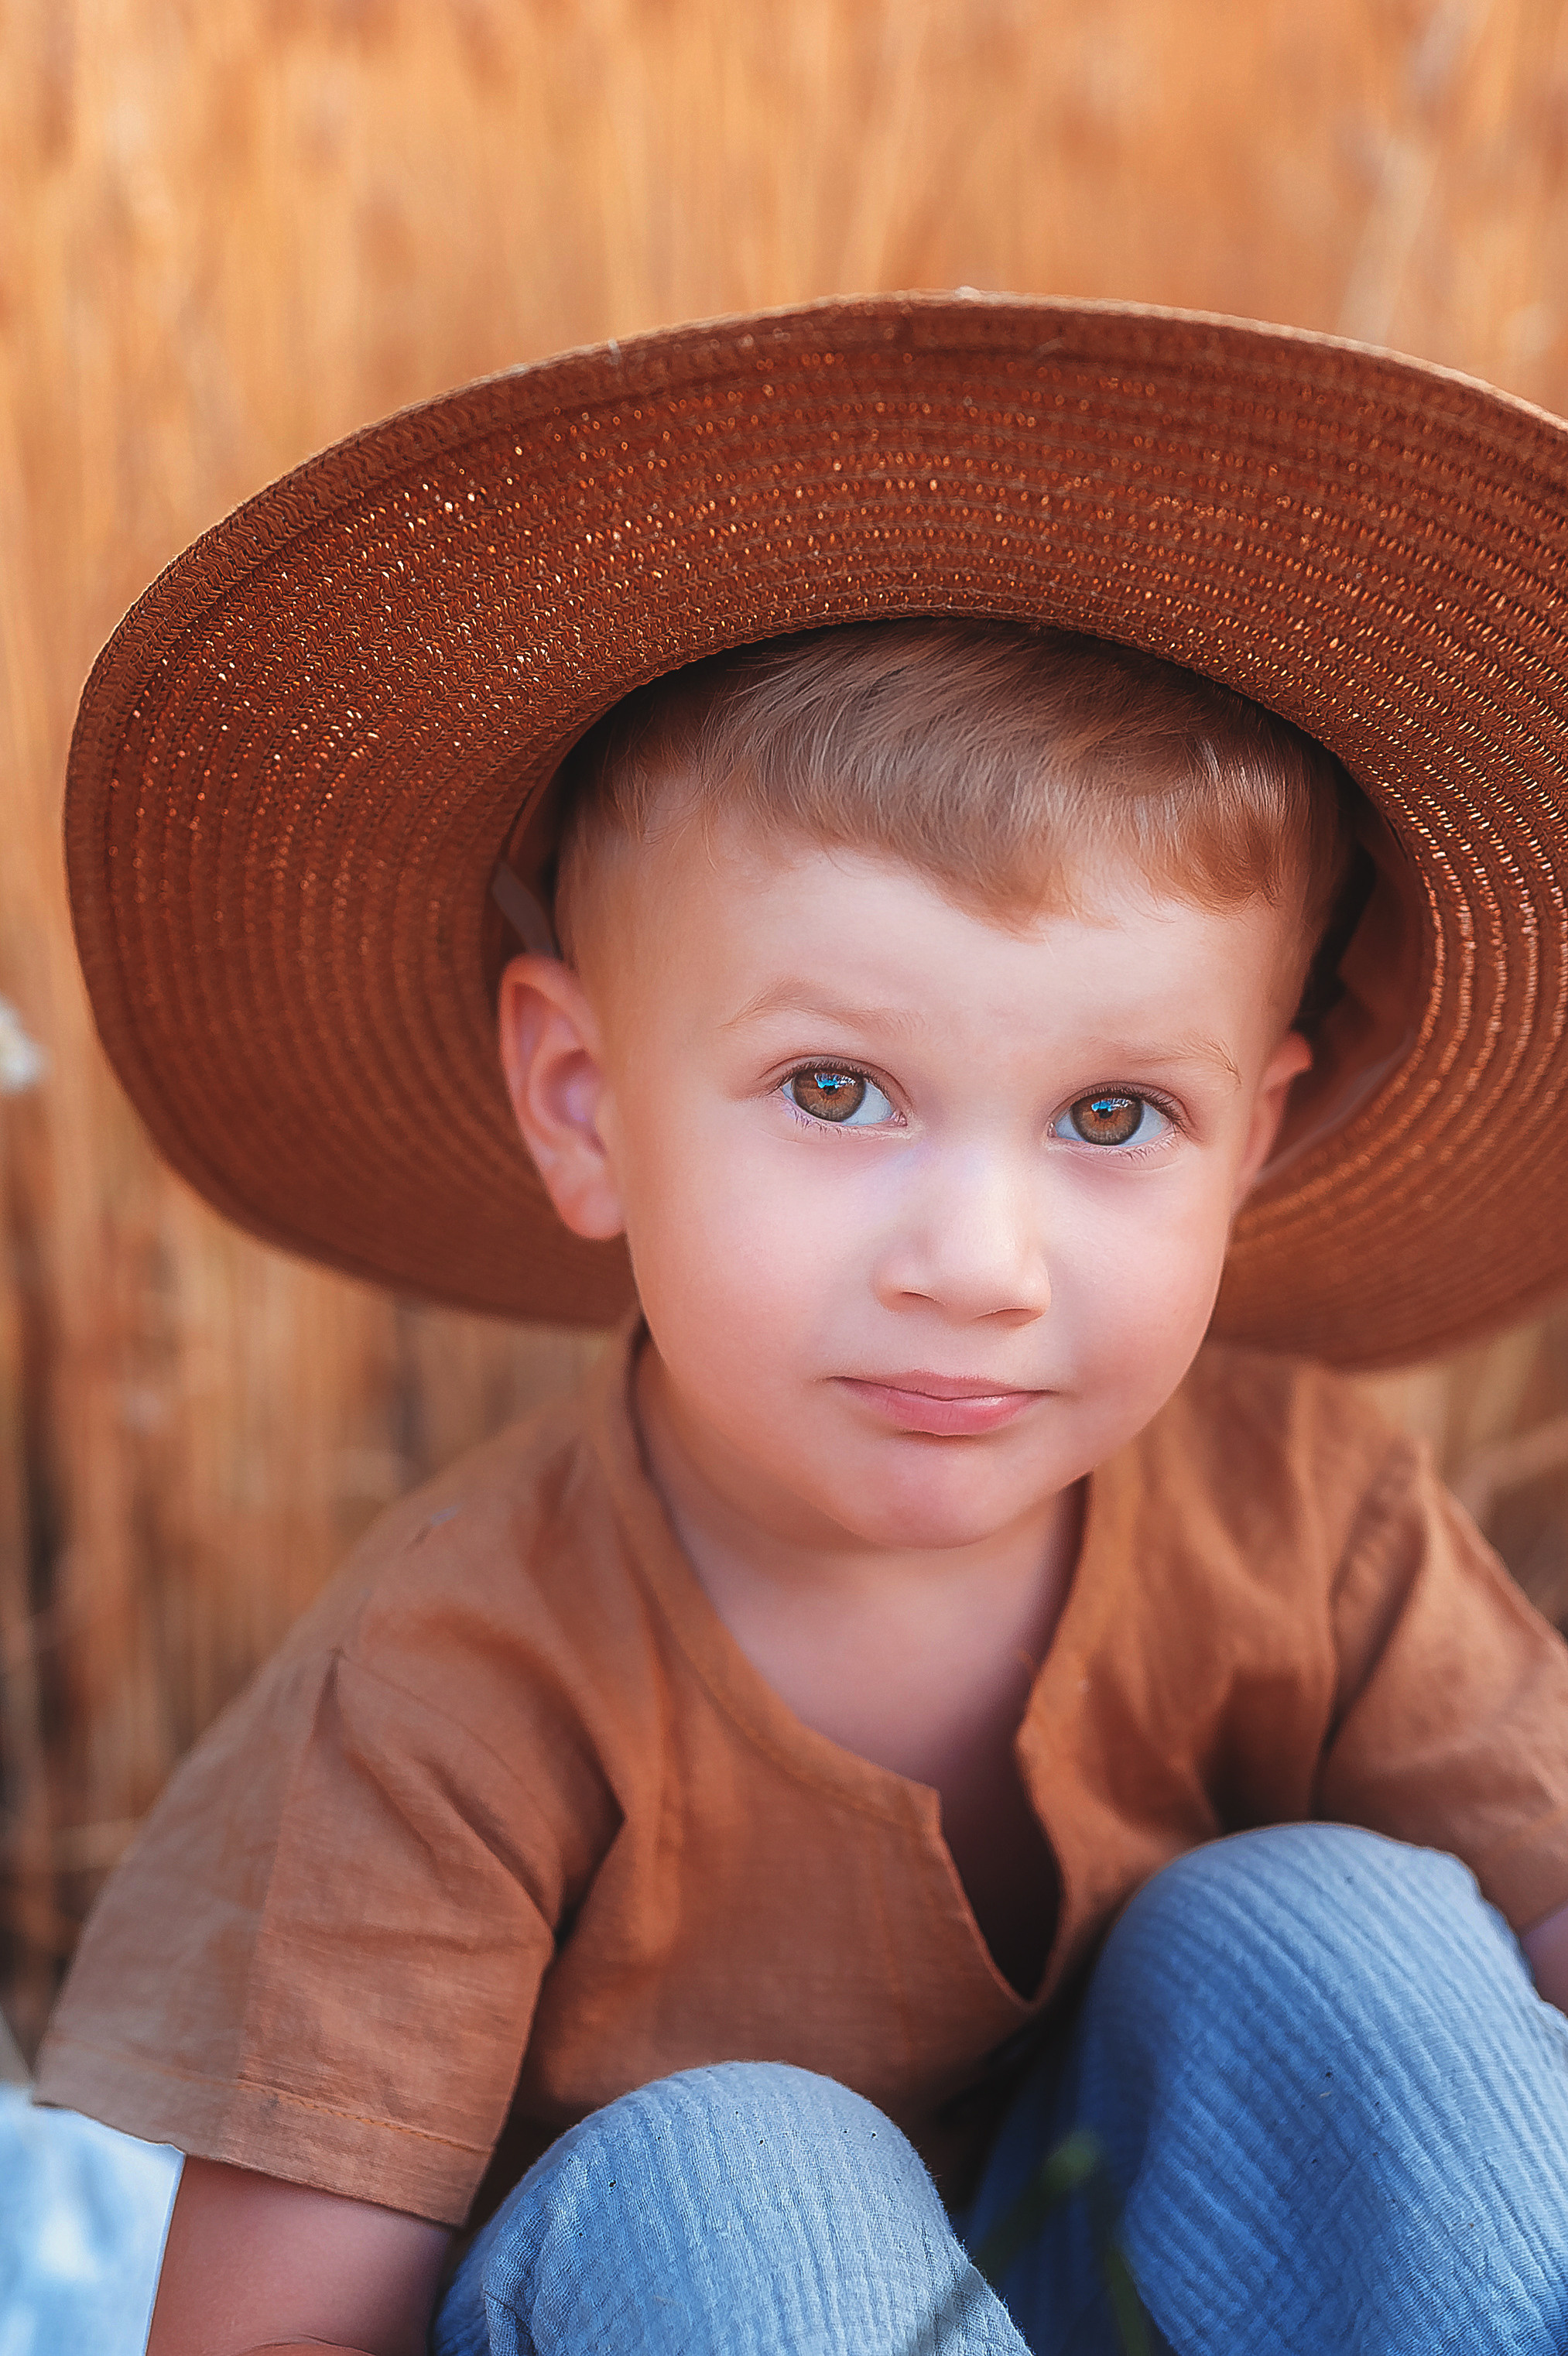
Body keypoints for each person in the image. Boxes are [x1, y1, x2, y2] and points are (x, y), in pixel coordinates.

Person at [29, 295, 1568, 2354]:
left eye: (1114, 1113)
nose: (979, 1259)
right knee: (738, 2172)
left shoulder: (1306, 1512)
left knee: (1339, 1934)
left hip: (1165, 2280)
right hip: (716, 2307)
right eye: (834, 1090)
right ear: (580, 1101)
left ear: (1252, 1134)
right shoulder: (446, 1686)